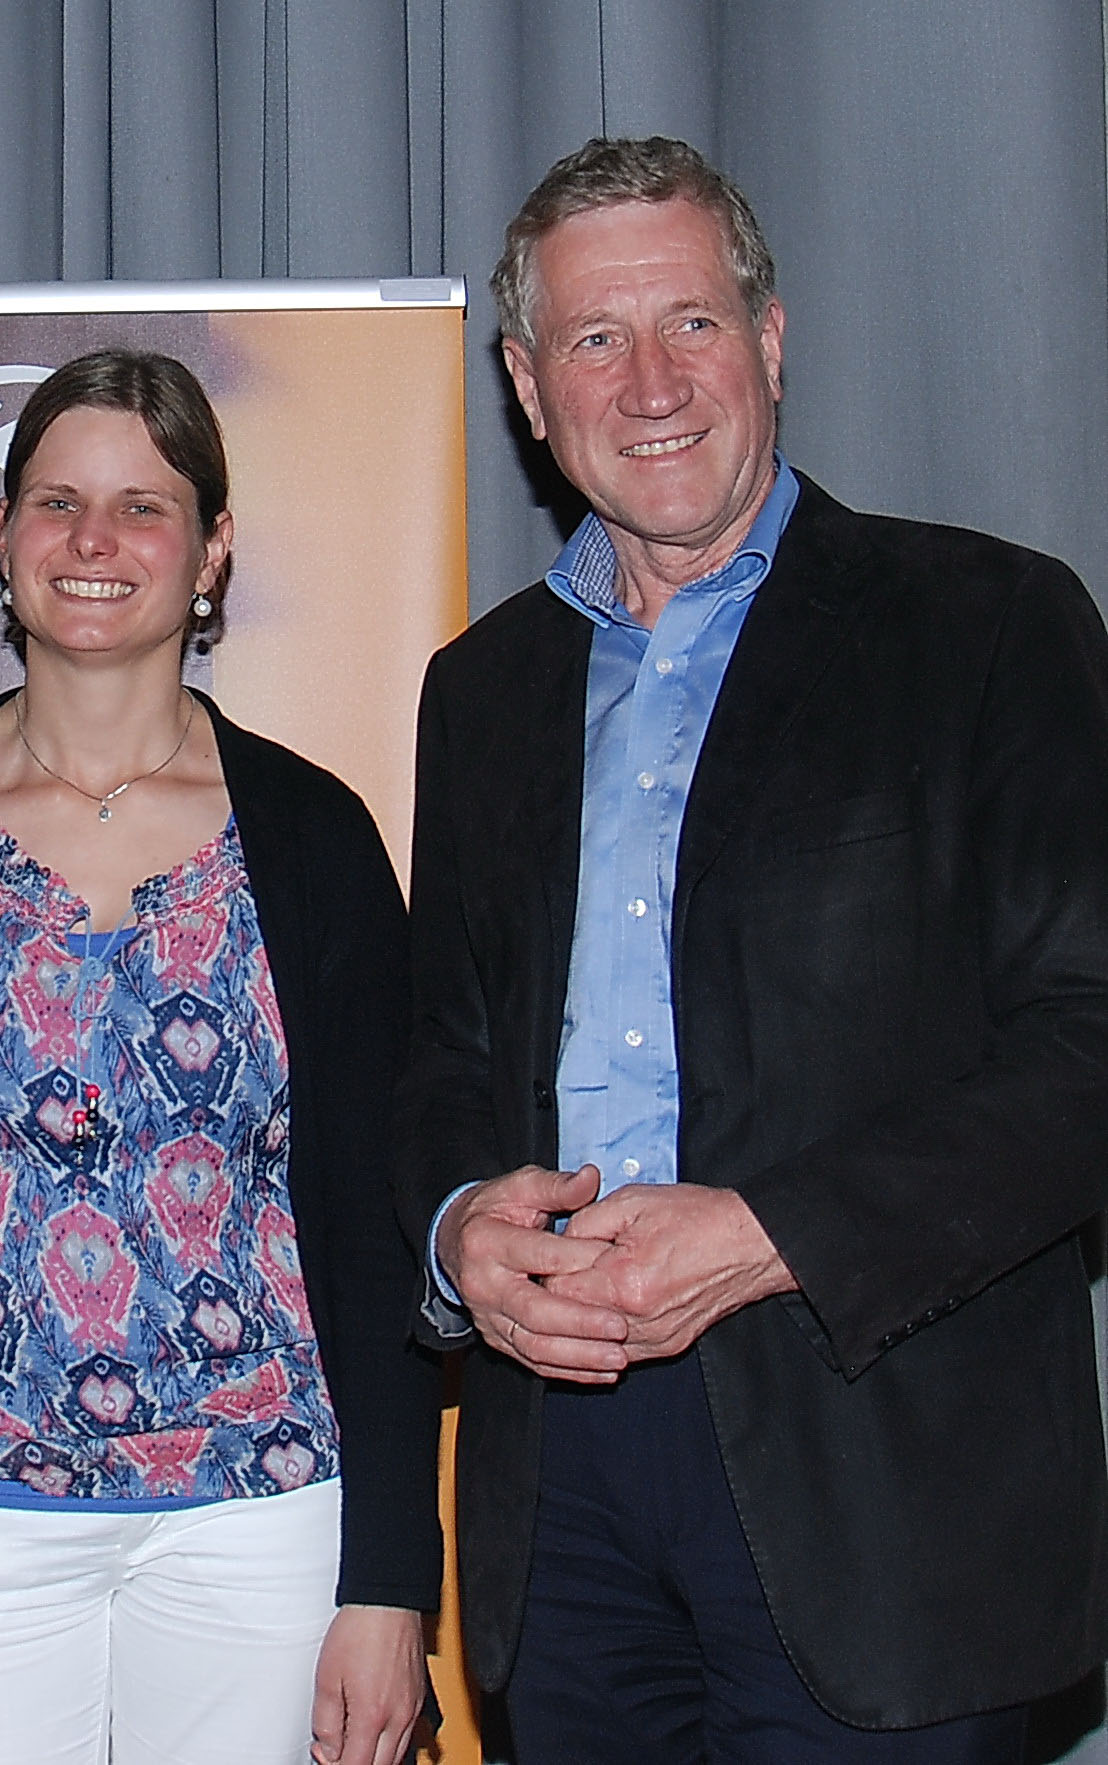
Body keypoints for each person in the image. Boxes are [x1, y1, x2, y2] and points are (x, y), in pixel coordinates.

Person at [401, 135, 1108, 1761]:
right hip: (560, 1495)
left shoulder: (987, 625)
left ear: (771, 343)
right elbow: (446, 1050)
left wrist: (770, 1232)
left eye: (693, 323)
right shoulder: (480, 690)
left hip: (882, 1481)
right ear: (528, 387)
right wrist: (457, 1232)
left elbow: (1089, 1043)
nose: (651, 383)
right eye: (595, 338)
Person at [0, 348, 440, 1765]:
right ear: (3, 534)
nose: (95, 541)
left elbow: (375, 1225)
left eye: (145, 506)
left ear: (213, 550)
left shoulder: (315, 840)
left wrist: (390, 1576)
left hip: (259, 1512)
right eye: (58, 502)